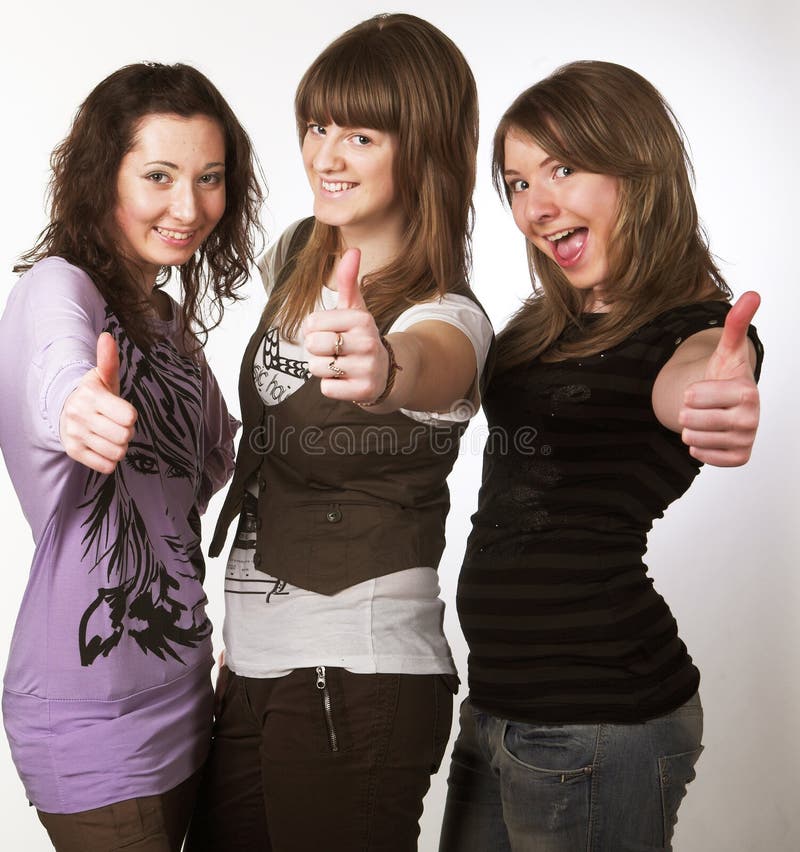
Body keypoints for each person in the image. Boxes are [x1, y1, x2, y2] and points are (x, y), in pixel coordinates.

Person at [185, 13, 493, 852]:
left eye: (361, 133)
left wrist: (383, 367)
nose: (326, 154)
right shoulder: (296, 252)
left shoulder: (449, 317)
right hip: (257, 668)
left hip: (356, 675)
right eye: (319, 125)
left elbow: (430, 361)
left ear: (423, 147)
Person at [439, 61, 763, 852]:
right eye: (516, 182)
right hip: (496, 709)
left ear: (638, 167)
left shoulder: (691, 328)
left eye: (563, 168)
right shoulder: (547, 323)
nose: (535, 205)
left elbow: (695, 378)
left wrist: (713, 399)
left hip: (595, 721)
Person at [0, 62, 263, 851]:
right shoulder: (59, 287)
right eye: (159, 175)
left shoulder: (170, 324)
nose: (189, 208)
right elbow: (59, 370)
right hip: (93, 716)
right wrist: (78, 406)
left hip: (188, 689)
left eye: (209, 179)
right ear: (100, 179)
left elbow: (220, 464)